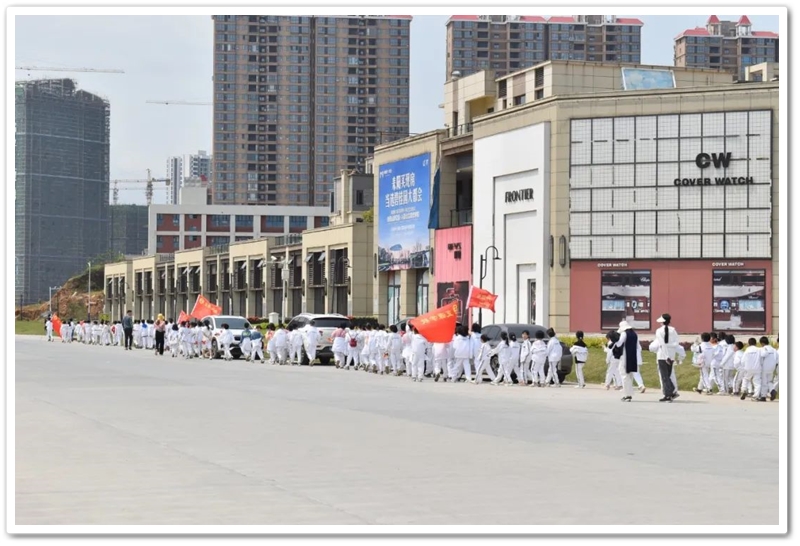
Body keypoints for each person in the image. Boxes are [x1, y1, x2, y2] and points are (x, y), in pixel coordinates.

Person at [651, 313, 679, 402]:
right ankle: (671, 392)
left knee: (664, 376)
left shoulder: (659, 331)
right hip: (671, 355)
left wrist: (666, 356)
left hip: (662, 355)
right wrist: (670, 351)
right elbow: (676, 343)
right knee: (668, 375)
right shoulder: (673, 330)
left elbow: (662, 344)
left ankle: (669, 394)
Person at [614, 320, 639, 402]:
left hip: (625, 356)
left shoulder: (624, 334)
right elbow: (638, 346)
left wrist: (615, 341)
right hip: (633, 356)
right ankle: (629, 393)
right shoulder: (634, 334)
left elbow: (619, 344)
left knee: (624, 375)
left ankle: (627, 395)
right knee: (630, 375)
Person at [755, 336, 777, 402]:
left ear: (762, 343)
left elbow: (762, 356)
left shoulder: (763, 349)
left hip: (765, 367)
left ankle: (763, 396)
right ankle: (772, 390)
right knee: (769, 381)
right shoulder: (774, 349)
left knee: (764, 382)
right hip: (772, 367)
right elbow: (777, 359)